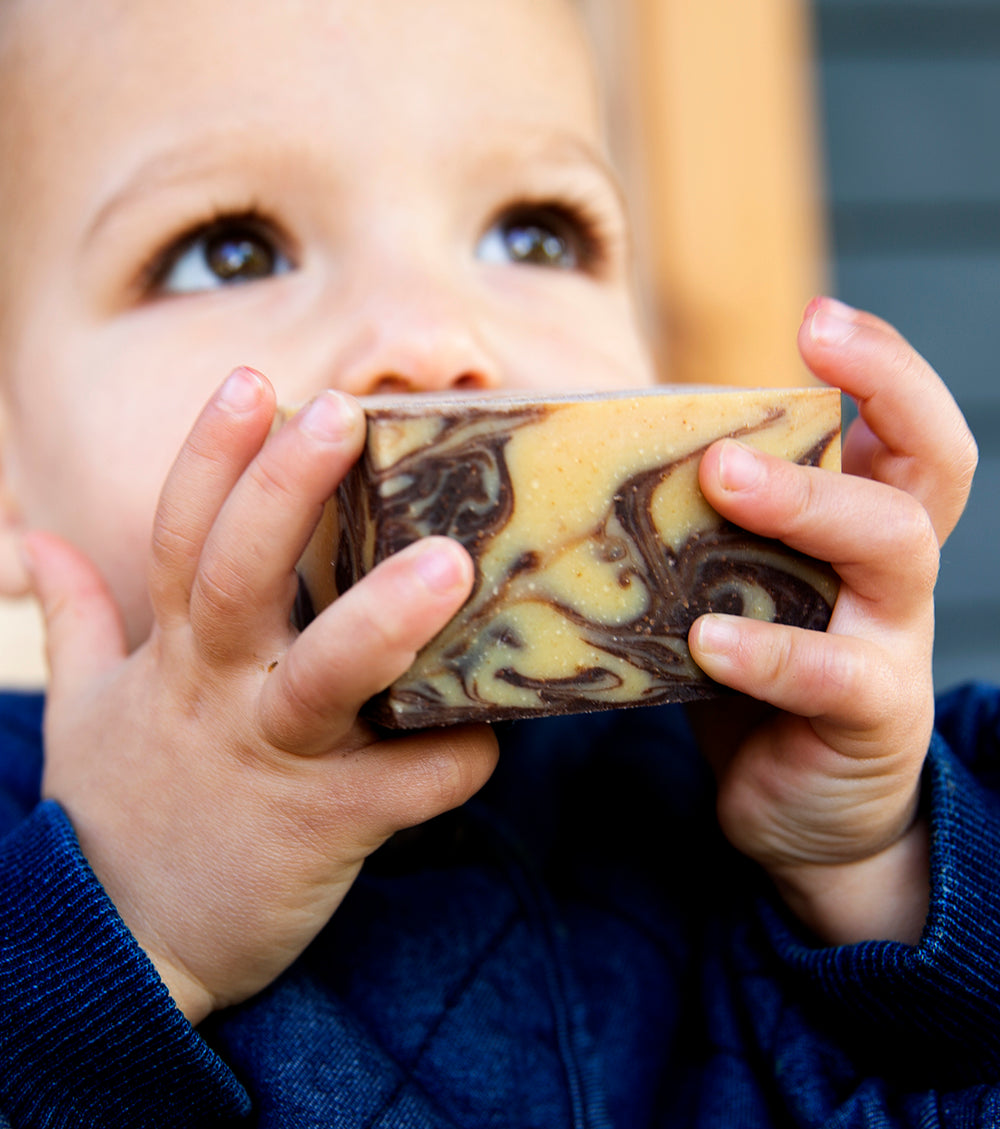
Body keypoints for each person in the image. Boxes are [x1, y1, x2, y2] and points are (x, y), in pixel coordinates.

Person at [0, 0, 994, 1125]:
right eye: (229, 250)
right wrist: (120, 929)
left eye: (534, 233)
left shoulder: (760, 772)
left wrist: (873, 867)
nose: (430, 336)